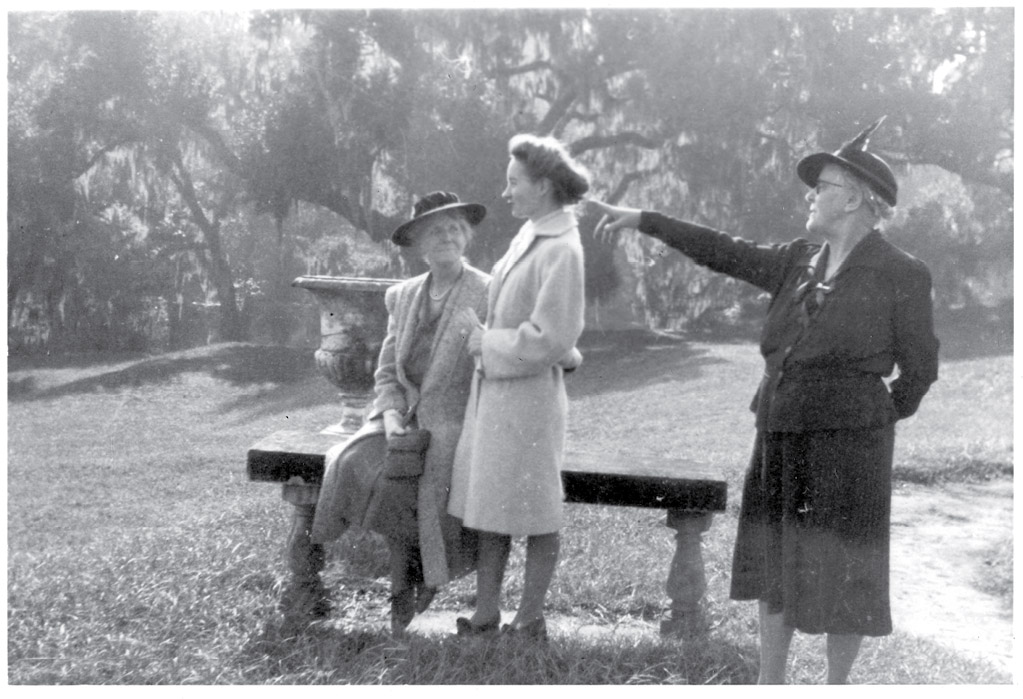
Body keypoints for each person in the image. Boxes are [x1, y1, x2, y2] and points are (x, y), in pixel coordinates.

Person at [590, 117, 939, 683]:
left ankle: (835, 687)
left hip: (850, 448)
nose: (811, 195)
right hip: (778, 429)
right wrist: (646, 220)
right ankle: (769, 683)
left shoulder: (901, 273)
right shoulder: (796, 261)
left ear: (853, 199)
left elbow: (921, 369)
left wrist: (868, 417)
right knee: (776, 560)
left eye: (821, 186)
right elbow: (722, 251)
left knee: (845, 569)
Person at [310, 191, 491, 635]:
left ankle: (419, 579)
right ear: (419, 243)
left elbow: (498, 361)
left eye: (455, 228)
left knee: (429, 475)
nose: (447, 237)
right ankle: (398, 575)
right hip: (401, 412)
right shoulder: (403, 295)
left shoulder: (488, 291)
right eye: (436, 231)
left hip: (457, 415)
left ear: (466, 237)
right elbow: (388, 370)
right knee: (354, 460)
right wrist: (390, 417)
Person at [447, 134, 589, 642]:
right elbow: (546, 331)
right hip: (502, 397)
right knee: (494, 507)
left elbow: (550, 337)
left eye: (514, 182)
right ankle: (486, 614)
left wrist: (488, 343)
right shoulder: (533, 233)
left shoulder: (562, 249)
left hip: (529, 403)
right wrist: (495, 342)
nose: (505, 192)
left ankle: (529, 620)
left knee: (537, 511)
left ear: (544, 185)